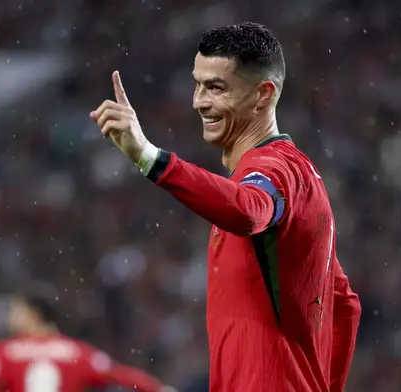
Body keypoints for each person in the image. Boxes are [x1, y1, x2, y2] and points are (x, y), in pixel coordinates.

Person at [90, 22, 362, 391]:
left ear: (263, 94)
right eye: (197, 84)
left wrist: (149, 158)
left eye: (216, 88)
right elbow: (343, 308)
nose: (199, 101)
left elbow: (249, 210)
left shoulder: (273, 170)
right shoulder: (302, 176)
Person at [0, 288, 175, 392]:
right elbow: (121, 375)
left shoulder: (4, 351)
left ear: (33, 314)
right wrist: (157, 388)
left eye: (16, 310)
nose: (10, 317)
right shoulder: (77, 352)